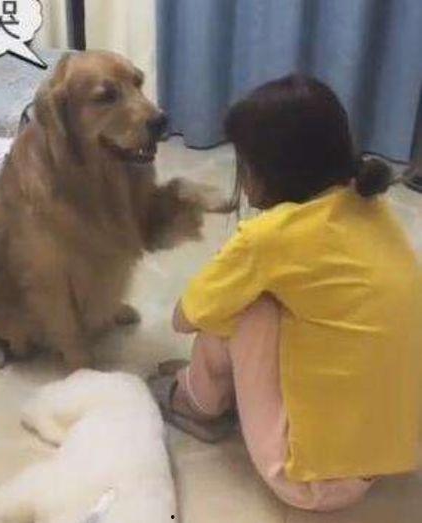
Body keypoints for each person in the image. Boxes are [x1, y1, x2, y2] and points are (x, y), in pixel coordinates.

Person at [149, 75, 422, 511]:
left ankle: (198, 400)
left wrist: (228, 275)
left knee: (245, 304)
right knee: (293, 303)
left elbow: (185, 317)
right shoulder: (373, 208)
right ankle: (217, 382)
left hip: (310, 480)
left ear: (268, 170)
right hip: (386, 454)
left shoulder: (269, 238)